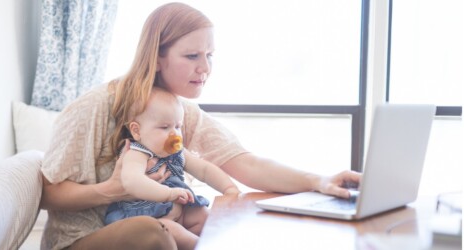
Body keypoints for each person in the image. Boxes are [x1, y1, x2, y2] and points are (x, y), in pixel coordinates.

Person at [40, 2, 362, 250]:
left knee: (232, 225)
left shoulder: (179, 112)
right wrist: (110, 190)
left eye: (210, 55)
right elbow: (49, 193)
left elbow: (245, 162)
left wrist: (318, 181)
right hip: (82, 240)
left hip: (159, 226)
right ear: (157, 57)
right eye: (192, 55)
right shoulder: (93, 107)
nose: (205, 67)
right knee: (153, 233)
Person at [104, 86, 240, 249]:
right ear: (137, 130)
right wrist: (168, 194)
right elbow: (132, 181)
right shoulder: (137, 153)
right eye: (164, 127)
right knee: (175, 233)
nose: (174, 134)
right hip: (153, 219)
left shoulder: (178, 152)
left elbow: (204, 170)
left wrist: (229, 188)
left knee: (208, 218)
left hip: (182, 210)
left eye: (177, 126)